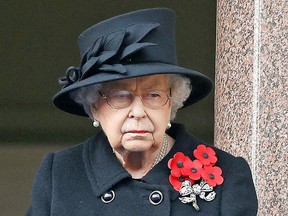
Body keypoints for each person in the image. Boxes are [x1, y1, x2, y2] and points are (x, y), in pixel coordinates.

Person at [26, 8, 258, 215]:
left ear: (172, 103)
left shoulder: (228, 176)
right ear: (95, 107)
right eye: (120, 96)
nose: (138, 112)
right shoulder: (60, 175)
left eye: (153, 95)